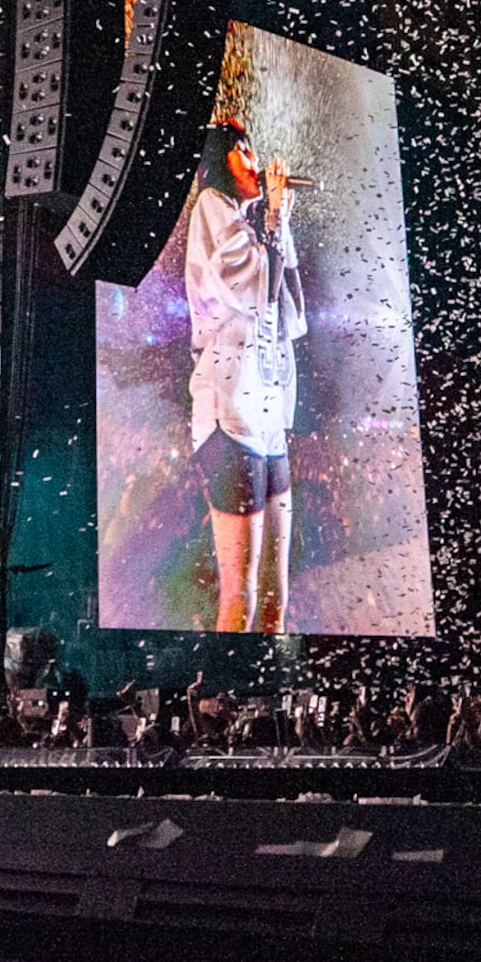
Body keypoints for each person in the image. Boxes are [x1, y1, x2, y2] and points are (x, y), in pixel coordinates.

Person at [181, 120, 308, 633]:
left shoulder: (255, 225)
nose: (257, 165)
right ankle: (223, 708)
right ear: (219, 160)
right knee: (242, 592)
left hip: (267, 416)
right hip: (228, 415)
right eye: (244, 154)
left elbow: (292, 311)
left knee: (276, 595)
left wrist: (281, 221)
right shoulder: (212, 208)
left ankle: (272, 707)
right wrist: (275, 217)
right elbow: (252, 285)